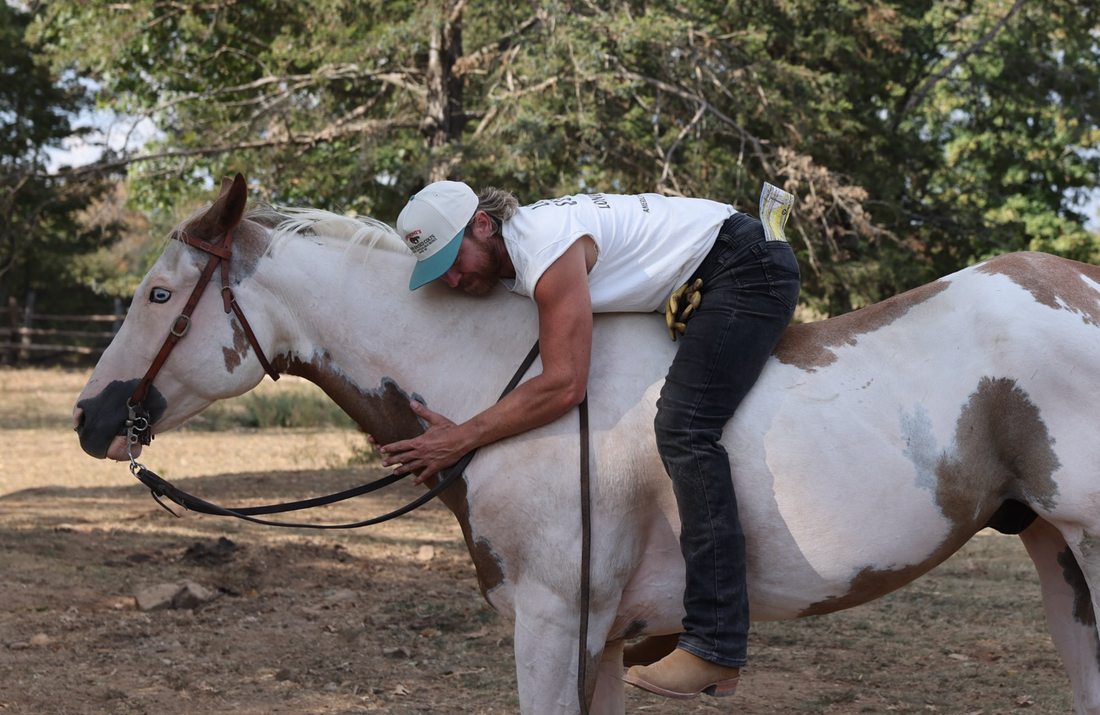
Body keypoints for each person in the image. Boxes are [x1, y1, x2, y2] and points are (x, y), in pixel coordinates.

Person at [377, 180, 800, 699]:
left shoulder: (546, 250)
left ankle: (716, 644)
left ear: (482, 226)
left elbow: (564, 385)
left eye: (454, 259)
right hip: (720, 260)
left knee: (685, 427)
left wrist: (461, 438)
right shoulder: (521, 251)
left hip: (745, 266)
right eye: (439, 271)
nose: (454, 278)